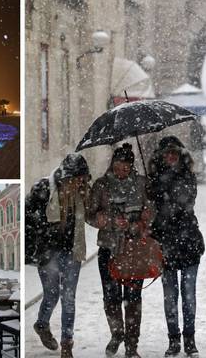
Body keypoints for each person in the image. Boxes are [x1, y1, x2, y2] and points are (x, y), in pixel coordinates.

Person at [87, 143, 153, 358]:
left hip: (134, 249)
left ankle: (132, 346)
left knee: (133, 298)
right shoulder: (101, 185)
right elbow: (89, 215)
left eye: (127, 166)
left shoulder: (142, 184)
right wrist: (102, 220)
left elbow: (151, 211)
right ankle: (117, 334)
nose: (123, 170)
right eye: (119, 165)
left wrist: (140, 221)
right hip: (108, 247)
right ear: (112, 164)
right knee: (111, 296)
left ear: (132, 166)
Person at [147, 136, 205, 357]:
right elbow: (154, 210)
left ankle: (189, 339)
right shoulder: (154, 179)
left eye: (174, 153)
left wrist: (164, 189)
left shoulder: (188, 176)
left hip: (188, 242)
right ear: (161, 156)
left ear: (180, 155)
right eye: (167, 153)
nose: (170, 156)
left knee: (188, 294)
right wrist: (154, 189)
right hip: (165, 244)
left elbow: (185, 202)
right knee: (170, 296)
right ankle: (174, 339)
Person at [30, 154, 91, 358]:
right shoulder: (43, 189)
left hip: (72, 251)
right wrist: (41, 249)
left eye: (83, 180)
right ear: (66, 177)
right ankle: (42, 324)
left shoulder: (81, 193)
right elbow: (31, 224)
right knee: (52, 295)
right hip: (49, 254)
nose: (80, 184)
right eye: (78, 179)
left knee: (69, 298)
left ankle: (67, 345)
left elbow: (91, 214)